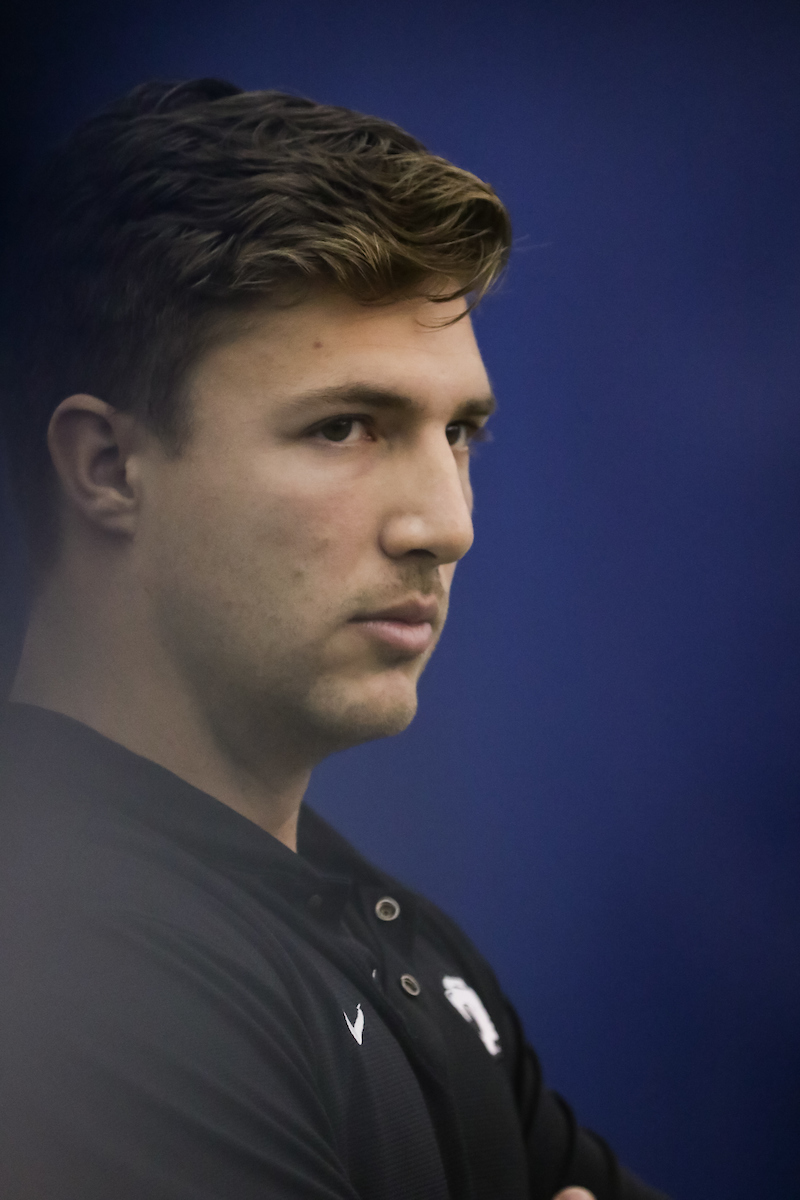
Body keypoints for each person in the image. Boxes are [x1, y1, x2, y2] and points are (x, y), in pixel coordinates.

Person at [0, 78, 668, 1200]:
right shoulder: (60, 961)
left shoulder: (397, 939)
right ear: (108, 467)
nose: (444, 525)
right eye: (344, 426)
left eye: (459, 432)